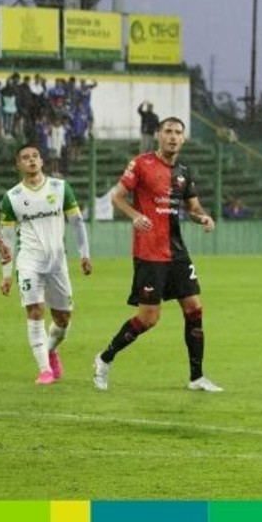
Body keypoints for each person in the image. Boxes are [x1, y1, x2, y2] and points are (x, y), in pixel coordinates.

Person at [93, 116, 221, 392]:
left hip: (177, 253)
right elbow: (116, 196)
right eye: (168, 132)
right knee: (149, 319)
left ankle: (197, 377)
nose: (173, 137)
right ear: (158, 135)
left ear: (183, 139)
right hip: (149, 253)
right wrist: (135, 215)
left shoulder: (184, 172)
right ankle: (104, 358)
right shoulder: (141, 163)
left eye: (178, 133)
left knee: (194, 309)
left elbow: (193, 208)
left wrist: (204, 218)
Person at [0, 145, 86, 383]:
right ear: (18, 165)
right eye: (25, 157)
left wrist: (84, 254)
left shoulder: (60, 188)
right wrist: (6, 274)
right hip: (29, 262)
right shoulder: (12, 197)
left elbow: (77, 221)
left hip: (57, 263)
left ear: (42, 160)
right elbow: (6, 239)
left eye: (35, 156)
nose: (31, 160)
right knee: (35, 311)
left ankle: (50, 349)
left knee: (63, 319)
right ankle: (45, 369)